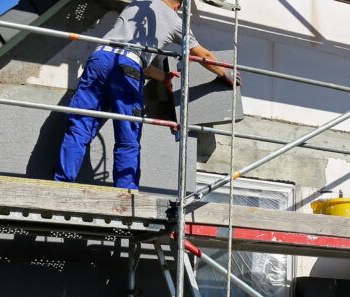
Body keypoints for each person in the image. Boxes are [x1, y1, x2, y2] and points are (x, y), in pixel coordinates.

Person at [53, 0, 237, 191]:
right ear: (178, 5)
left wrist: (164, 76)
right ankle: (126, 193)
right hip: (127, 67)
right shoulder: (174, 21)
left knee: (79, 127)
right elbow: (203, 55)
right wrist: (225, 73)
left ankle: (61, 186)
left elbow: (128, 57)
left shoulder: (136, 4)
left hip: (99, 59)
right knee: (127, 137)